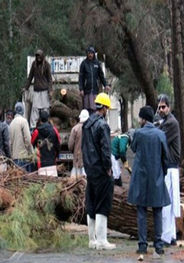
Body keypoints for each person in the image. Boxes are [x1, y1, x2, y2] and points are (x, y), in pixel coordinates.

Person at [128, 105, 170, 255]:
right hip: (156, 177)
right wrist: (162, 174)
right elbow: (166, 158)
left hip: (140, 178)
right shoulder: (160, 135)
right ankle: (158, 245)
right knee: (157, 211)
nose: (139, 120)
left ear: (144, 119)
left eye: (140, 117)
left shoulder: (139, 134)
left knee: (141, 212)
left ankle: (142, 245)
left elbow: (133, 148)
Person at [82, 92, 115, 250]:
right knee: (102, 204)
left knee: (91, 204)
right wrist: (108, 168)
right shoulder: (103, 125)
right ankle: (102, 240)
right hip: (102, 171)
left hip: (90, 170)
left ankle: (92, 240)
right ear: (105, 108)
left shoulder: (86, 124)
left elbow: (84, 149)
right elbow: (105, 150)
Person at [157, 94, 181, 247]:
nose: (160, 109)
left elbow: (159, 137)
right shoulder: (167, 121)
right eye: (159, 107)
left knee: (166, 204)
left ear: (169, 107)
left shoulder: (171, 123)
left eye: (163, 107)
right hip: (171, 167)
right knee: (170, 204)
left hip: (170, 168)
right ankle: (171, 235)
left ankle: (166, 237)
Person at [24, 49, 53, 129]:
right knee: (35, 109)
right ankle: (32, 127)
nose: (38, 57)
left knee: (45, 108)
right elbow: (30, 77)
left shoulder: (46, 65)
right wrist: (26, 87)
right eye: (37, 55)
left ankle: (46, 125)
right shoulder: (34, 64)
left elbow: (50, 79)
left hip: (44, 90)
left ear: (42, 56)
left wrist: (50, 90)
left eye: (39, 55)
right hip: (36, 90)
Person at [79, 46, 111, 114]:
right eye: (89, 53)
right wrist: (81, 89)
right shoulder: (84, 64)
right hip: (86, 91)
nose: (90, 55)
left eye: (91, 53)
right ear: (87, 54)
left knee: (95, 108)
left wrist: (106, 85)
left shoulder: (97, 63)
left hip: (95, 91)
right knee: (87, 109)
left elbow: (101, 75)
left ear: (93, 54)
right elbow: (81, 77)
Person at [31, 110, 60, 176]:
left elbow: (32, 143)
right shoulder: (54, 130)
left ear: (40, 119)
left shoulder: (36, 131)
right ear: (48, 119)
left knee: (42, 183)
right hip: (52, 161)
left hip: (41, 163)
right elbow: (58, 144)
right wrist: (57, 156)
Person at [10, 102, 33, 172]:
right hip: (23, 157)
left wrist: (12, 155)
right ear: (23, 110)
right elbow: (28, 140)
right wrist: (31, 153)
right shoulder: (24, 121)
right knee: (26, 180)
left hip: (15, 157)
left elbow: (10, 142)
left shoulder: (12, 123)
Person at [68, 109, 89, 178]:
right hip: (88, 159)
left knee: (76, 180)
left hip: (78, 158)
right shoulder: (90, 128)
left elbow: (70, 145)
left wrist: (74, 151)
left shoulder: (75, 129)